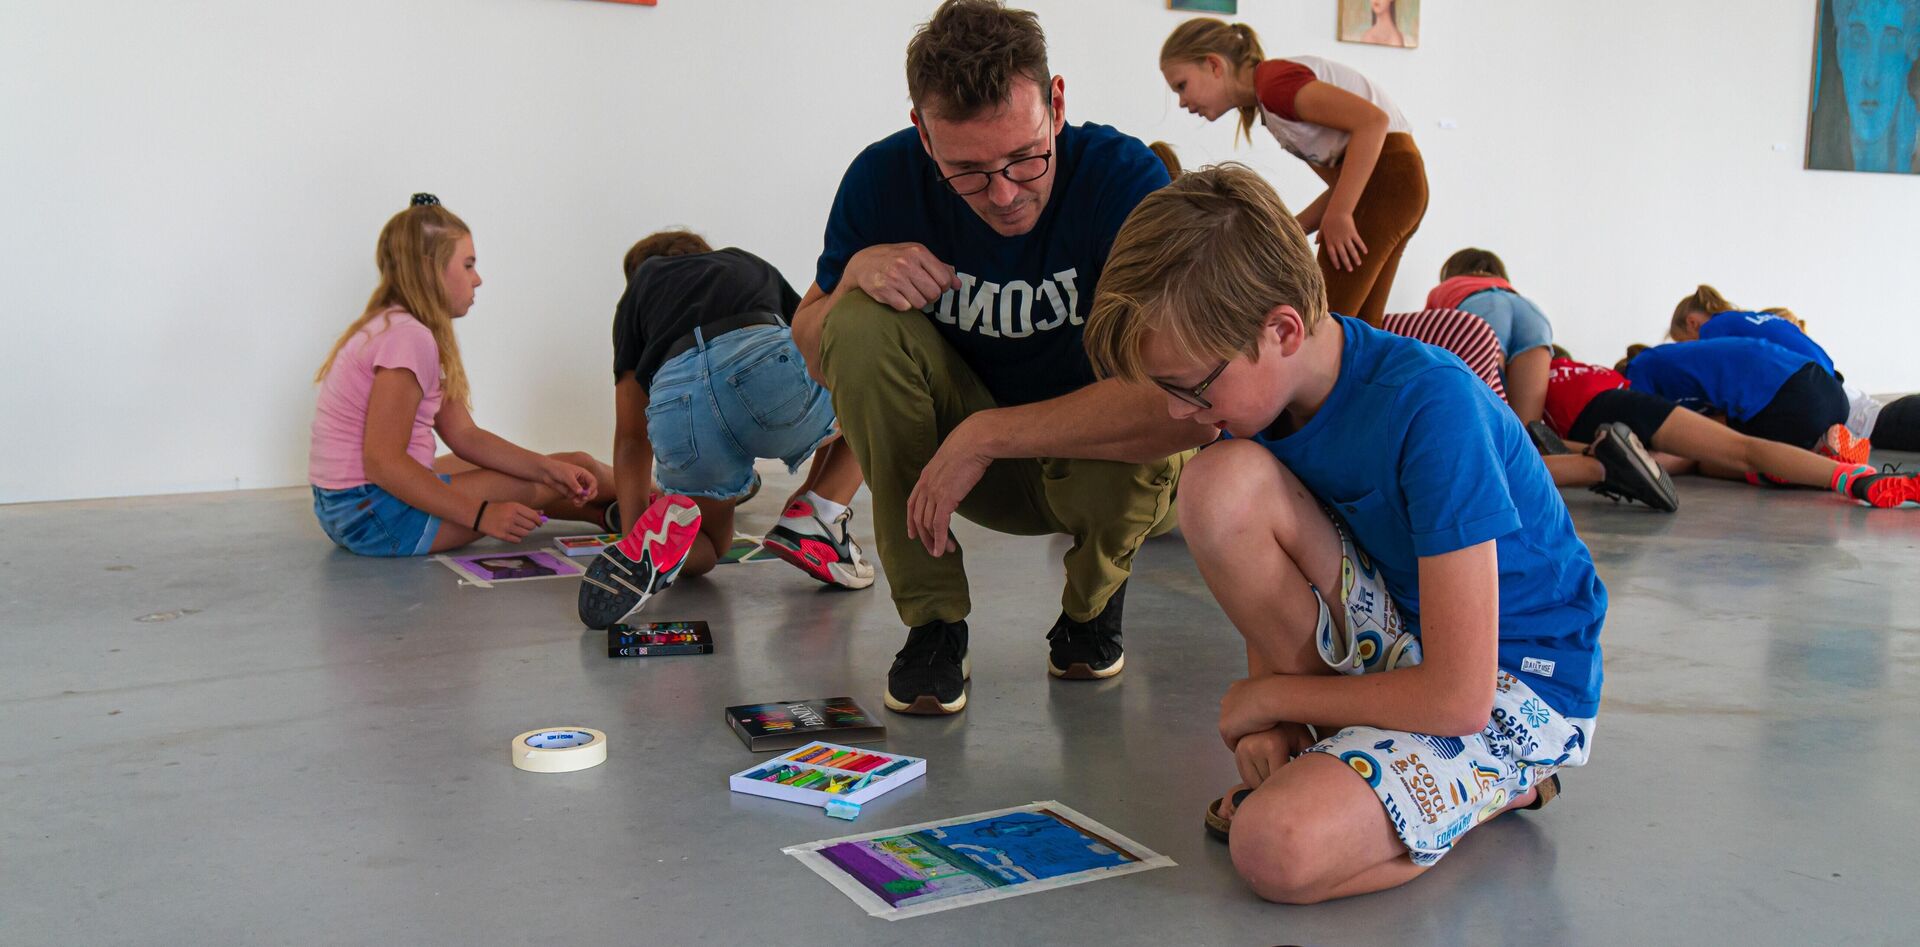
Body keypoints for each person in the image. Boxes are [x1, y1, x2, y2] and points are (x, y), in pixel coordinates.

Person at [1086, 165, 1603, 902]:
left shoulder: (1432, 407)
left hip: (1511, 686)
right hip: (1407, 647)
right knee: (1217, 483)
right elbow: (1266, 576)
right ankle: (1354, 758)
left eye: (1191, 388)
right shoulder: (1263, 404)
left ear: (1282, 330)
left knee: (1275, 848)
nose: (1178, 414)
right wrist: (1281, 708)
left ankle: (1505, 784)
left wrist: (1269, 702)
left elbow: (1461, 696)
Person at [787, 0, 1212, 715]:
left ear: (1057, 102)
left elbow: (1186, 406)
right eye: (969, 170)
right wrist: (857, 270)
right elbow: (812, 343)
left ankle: (1092, 605)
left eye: (1025, 157)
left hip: (1098, 464)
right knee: (854, 323)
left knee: (1153, 393)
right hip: (951, 470)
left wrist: (988, 436)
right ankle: (933, 624)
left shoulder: (1126, 182)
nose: (1005, 194)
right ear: (923, 133)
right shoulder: (881, 179)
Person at [578, 230, 876, 630]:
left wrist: (632, 530)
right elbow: (815, 342)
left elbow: (632, 437)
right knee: (874, 388)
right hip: (760, 364)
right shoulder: (744, 261)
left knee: (711, 547)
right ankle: (819, 512)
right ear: (704, 253)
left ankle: (655, 540)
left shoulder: (640, 292)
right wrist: (809, 489)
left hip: (678, 406)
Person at [309, 194, 615, 557]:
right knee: (577, 464)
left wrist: (546, 467)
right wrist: (482, 515)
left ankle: (608, 514)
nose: (478, 279)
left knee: (550, 470)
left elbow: (465, 436)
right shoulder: (409, 338)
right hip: (377, 516)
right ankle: (668, 507)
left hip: (345, 510)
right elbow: (383, 462)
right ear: (430, 270)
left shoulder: (392, 325)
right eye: (468, 265)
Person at [1159, 18, 1426, 327]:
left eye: (1182, 86)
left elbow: (1373, 123)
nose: (1181, 102)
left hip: (1389, 180)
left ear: (1214, 65)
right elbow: (1340, 185)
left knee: (1323, 323)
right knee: (1363, 323)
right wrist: (1287, 233)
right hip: (1398, 184)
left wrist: (1340, 213)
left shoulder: (1274, 84)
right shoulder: (1271, 110)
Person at [1539, 354, 1919, 509]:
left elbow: (1546, 440)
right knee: (1732, 451)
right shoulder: (1584, 369)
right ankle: (1838, 474)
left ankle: (1850, 478)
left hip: (1602, 419)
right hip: (1630, 404)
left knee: (1724, 455)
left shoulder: (1539, 385)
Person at [1671, 285, 1920, 451]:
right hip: (1839, 393)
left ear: (1692, 323)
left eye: (1683, 344)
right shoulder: (1748, 320)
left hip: (1854, 417)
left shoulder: (1713, 332)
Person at [1618, 338, 1859, 462]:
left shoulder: (1638, 369)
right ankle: (1823, 442)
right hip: (1830, 392)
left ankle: (1805, 459)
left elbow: (1641, 429)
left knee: (1708, 454)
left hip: (1789, 403)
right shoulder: (1678, 358)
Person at [1426, 248, 1557, 424]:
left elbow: (1427, 342)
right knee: (1527, 429)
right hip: (1531, 313)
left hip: (1481, 308)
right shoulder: (1505, 285)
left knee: (1484, 415)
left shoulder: (1444, 288)